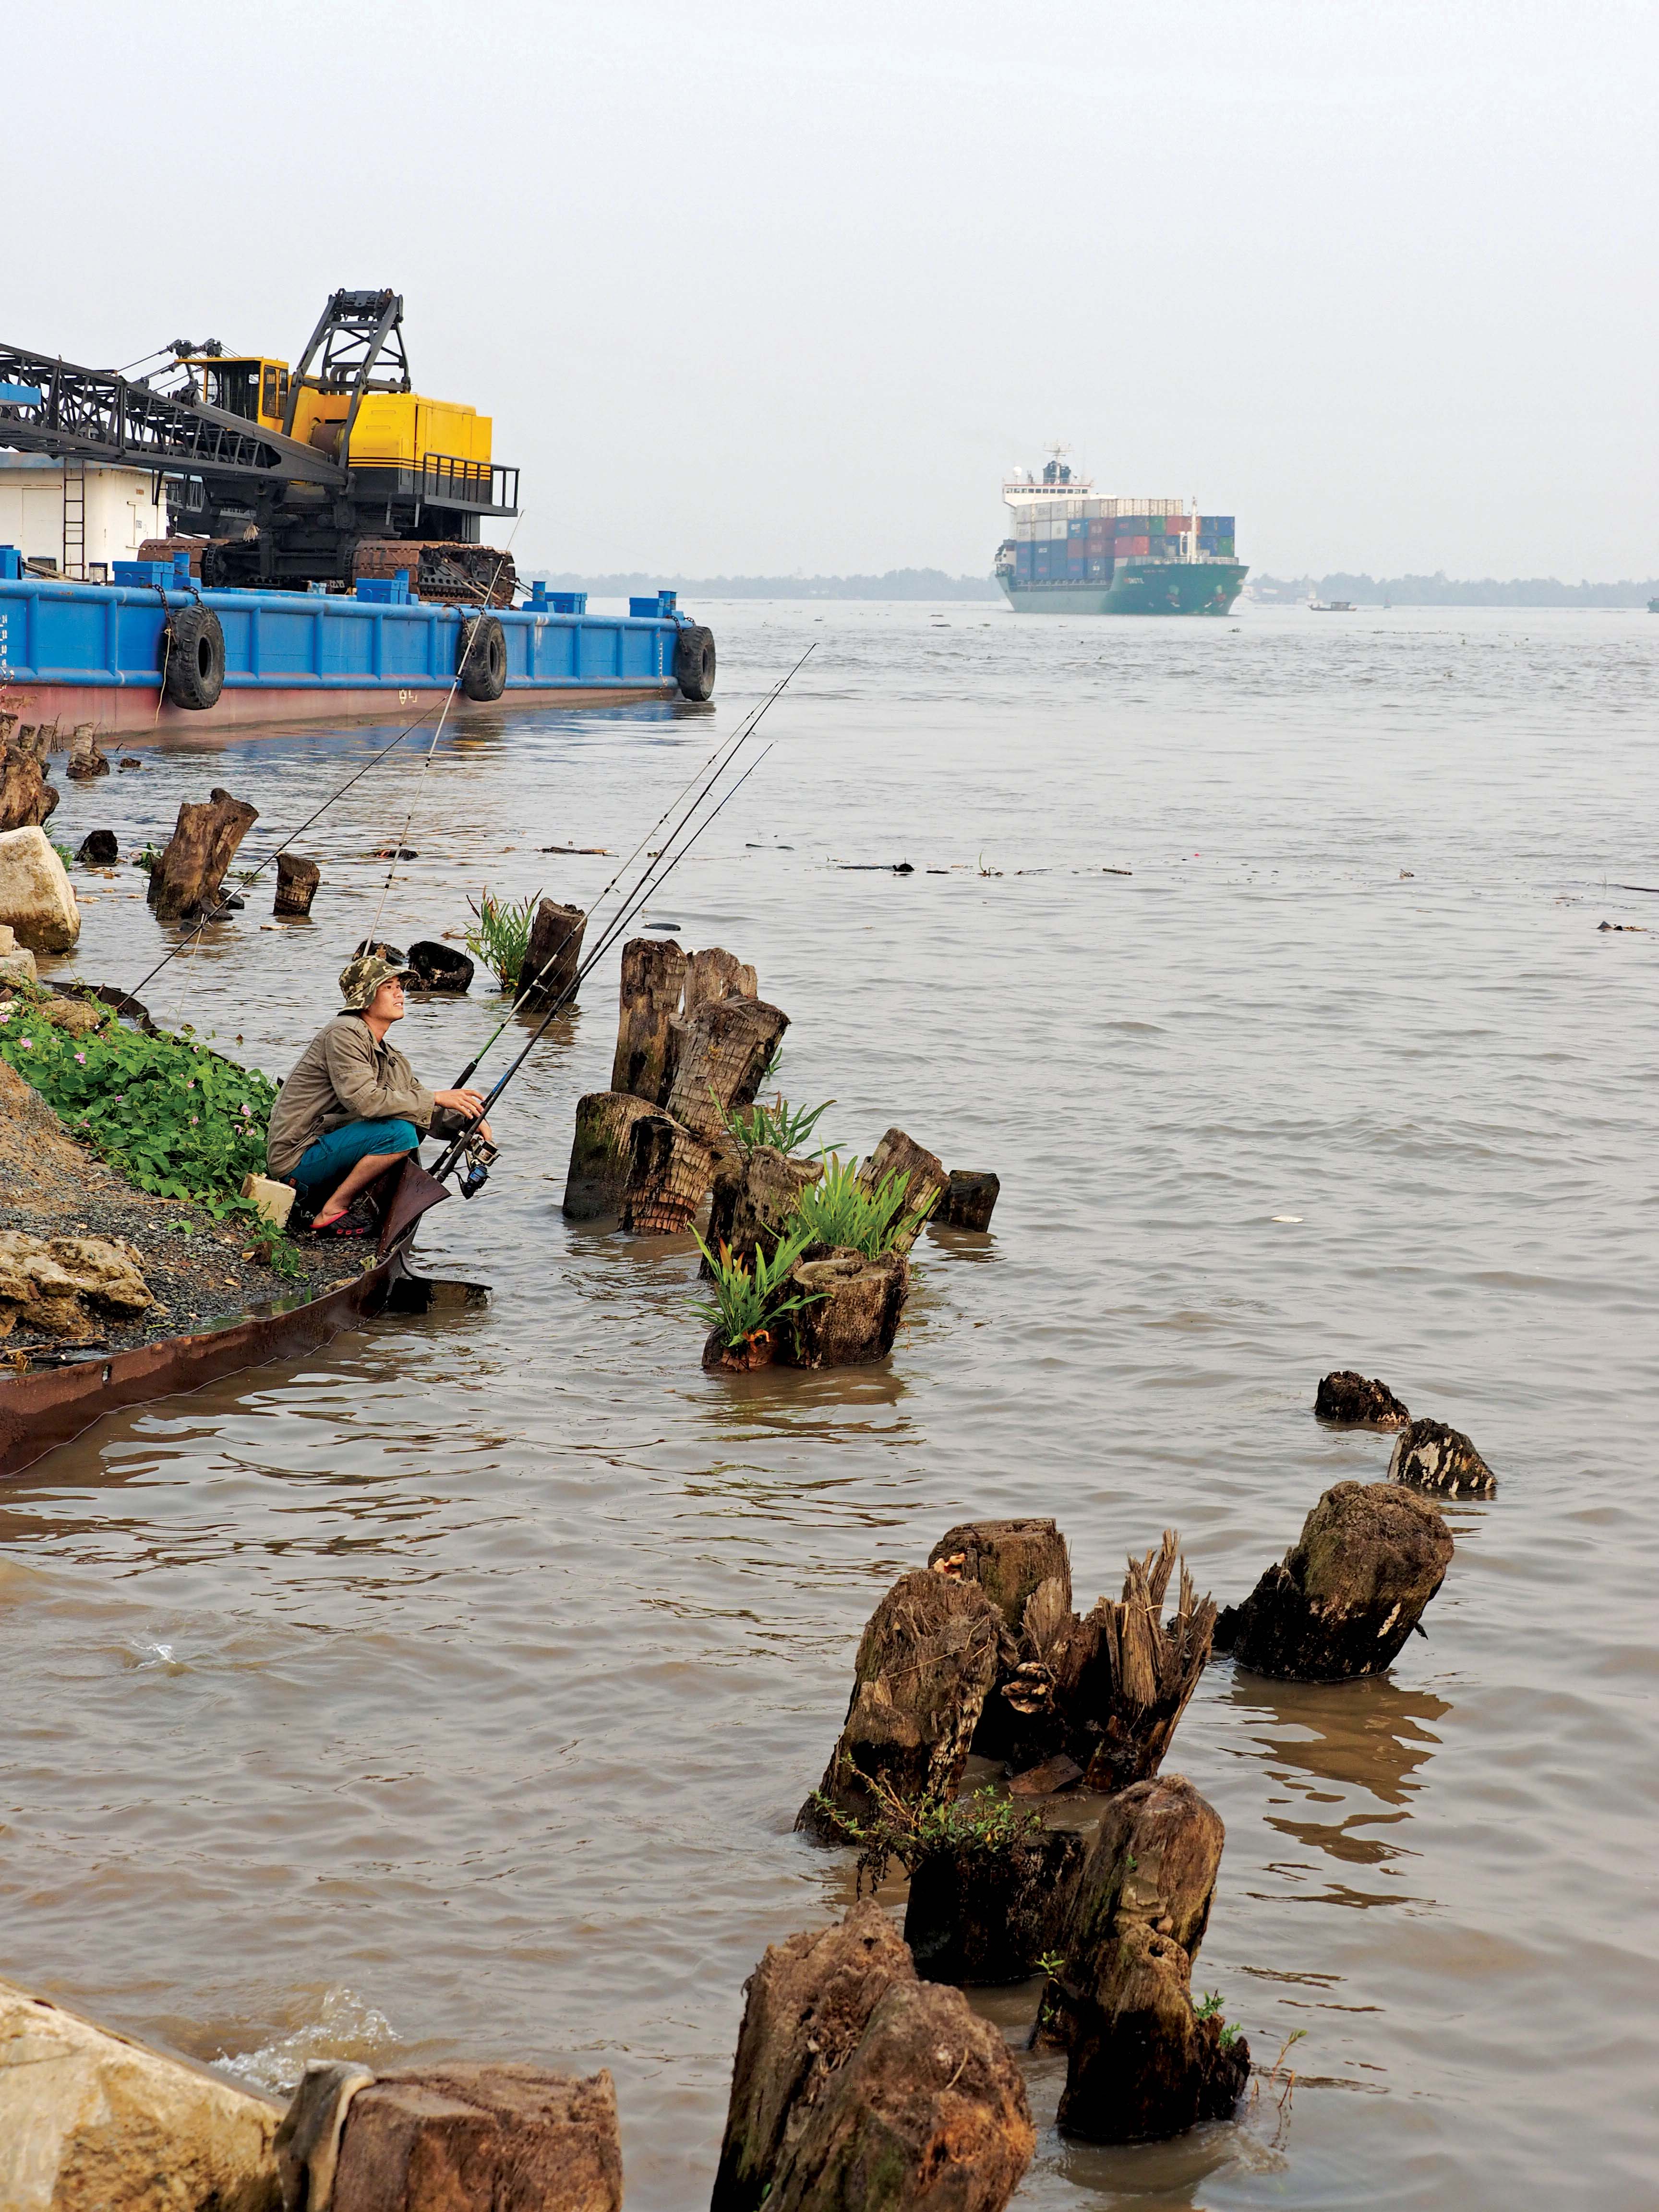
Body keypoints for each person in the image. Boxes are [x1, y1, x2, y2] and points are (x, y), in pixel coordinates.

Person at [266, 954, 492, 1233]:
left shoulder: (389, 1054)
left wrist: (469, 1123)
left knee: (409, 1122)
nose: (400, 993)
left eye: (400, 986)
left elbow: (417, 1103)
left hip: (324, 1152)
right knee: (400, 1133)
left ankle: (337, 1200)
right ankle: (331, 1211)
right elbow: (365, 1101)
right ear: (365, 998)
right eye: (389, 987)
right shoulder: (344, 1033)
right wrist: (436, 1097)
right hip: (297, 1162)